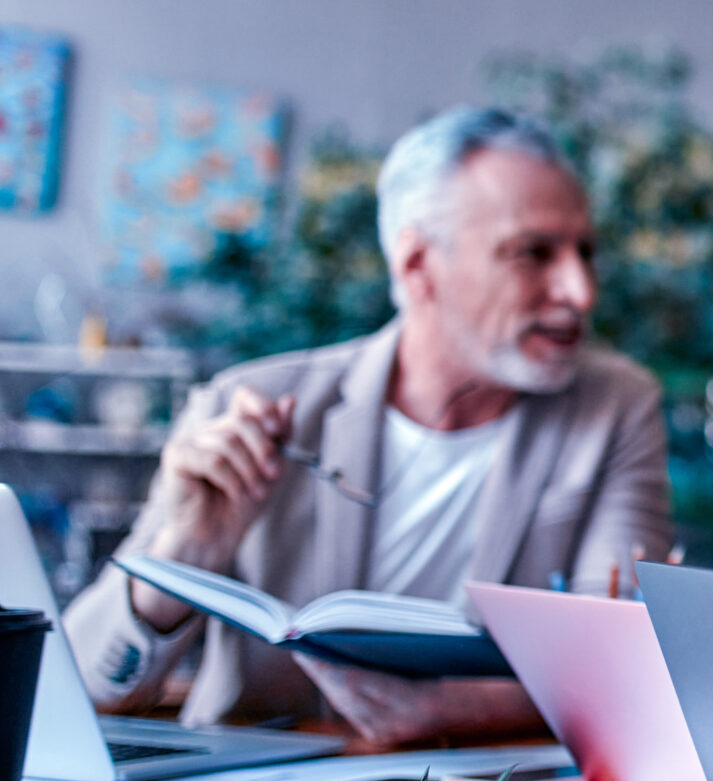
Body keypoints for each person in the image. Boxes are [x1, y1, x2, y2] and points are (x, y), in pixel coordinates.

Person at [66, 107, 672, 745]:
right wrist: (183, 559)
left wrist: (463, 708)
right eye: (534, 253)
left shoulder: (614, 408)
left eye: (585, 253)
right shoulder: (248, 405)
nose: (580, 291)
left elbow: (622, 675)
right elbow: (82, 690)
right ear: (418, 265)